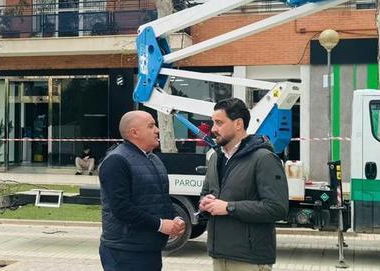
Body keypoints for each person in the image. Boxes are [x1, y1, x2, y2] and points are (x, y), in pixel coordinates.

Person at [198, 98, 288, 271]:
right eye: (213, 122)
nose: (213, 129)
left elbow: (277, 208)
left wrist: (229, 207)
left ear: (238, 124)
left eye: (219, 123)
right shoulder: (215, 158)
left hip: (249, 260)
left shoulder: (264, 158)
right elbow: (205, 193)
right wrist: (204, 203)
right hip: (219, 256)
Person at [98, 110, 185, 271]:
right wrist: (161, 225)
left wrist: (175, 219)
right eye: (151, 126)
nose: (157, 130)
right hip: (125, 251)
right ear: (134, 133)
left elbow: (159, 198)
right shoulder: (116, 161)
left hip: (149, 247)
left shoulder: (153, 159)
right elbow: (121, 208)